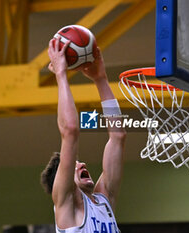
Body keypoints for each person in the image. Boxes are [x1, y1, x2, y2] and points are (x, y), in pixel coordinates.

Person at [40, 36, 126, 233]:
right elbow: (70, 131)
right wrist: (60, 75)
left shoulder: (105, 202)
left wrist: (101, 79)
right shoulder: (66, 207)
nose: (81, 164)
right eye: (74, 164)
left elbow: (118, 135)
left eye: (78, 163)